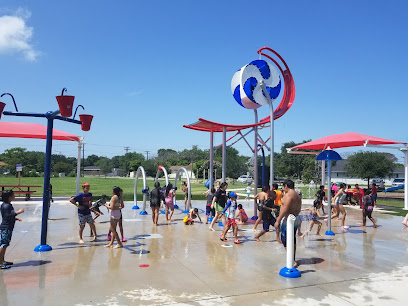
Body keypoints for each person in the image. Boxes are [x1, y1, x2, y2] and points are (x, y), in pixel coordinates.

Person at [274, 180, 302, 268]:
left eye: (283, 187)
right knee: (292, 239)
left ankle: (292, 260)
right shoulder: (297, 195)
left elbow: (285, 208)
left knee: (285, 239)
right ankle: (293, 258)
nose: (283, 189)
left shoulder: (289, 195)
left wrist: (278, 220)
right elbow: (298, 208)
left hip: (288, 220)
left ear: (286, 186)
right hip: (296, 218)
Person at [0, 190, 24, 269]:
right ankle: (0, 263)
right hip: (6, 228)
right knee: (3, 245)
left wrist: (15, 218)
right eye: (13, 194)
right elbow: (8, 215)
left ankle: (2, 260)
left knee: (5, 244)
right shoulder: (7, 206)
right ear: (9, 197)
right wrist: (18, 212)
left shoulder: (6, 205)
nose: (14, 196)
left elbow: (7, 216)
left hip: (7, 227)